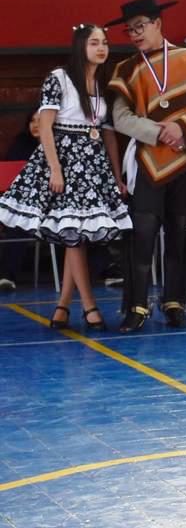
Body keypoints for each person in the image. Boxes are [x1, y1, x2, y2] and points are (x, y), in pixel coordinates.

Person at [0, 25, 132, 329]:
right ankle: (89, 307)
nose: (101, 48)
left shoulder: (102, 84)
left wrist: (115, 175)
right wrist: (56, 169)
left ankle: (62, 307)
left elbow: (108, 136)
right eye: (94, 43)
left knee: (79, 237)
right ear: (80, 47)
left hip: (92, 164)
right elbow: (45, 127)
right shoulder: (58, 78)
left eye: (105, 43)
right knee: (74, 238)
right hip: (65, 162)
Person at [107, 0, 186, 333]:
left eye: (140, 26)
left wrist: (182, 129)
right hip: (146, 159)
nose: (135, 34)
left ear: (158, 23)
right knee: (141, 234)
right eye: (130, 30)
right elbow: (120, 118)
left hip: (185, 160)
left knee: (179, 234)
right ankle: (137, 306)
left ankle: (175, 303)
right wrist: (159, 132)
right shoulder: (125, 69)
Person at [0, 113, 41, 292]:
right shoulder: (21, 144)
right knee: (19, 222)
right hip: (23, 202)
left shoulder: (61, 144)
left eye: (40, 121)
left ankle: (107, 271)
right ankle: (7, 276)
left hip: (53, 205)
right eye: (32, 121)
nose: (35, 125)